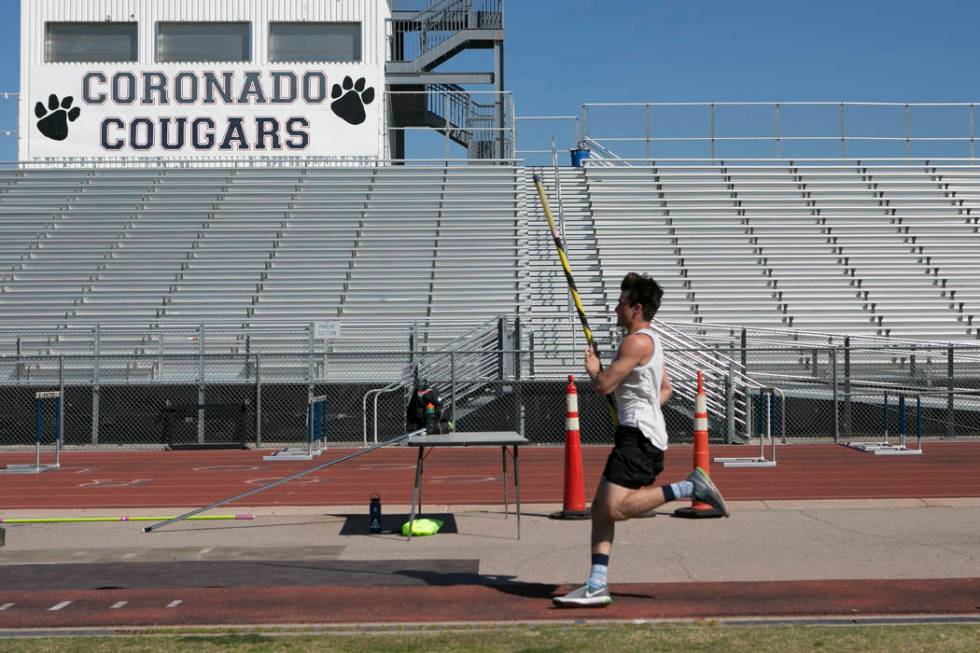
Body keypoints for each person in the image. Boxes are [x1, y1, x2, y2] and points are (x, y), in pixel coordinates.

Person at [553, 272, 729, 608]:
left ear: (636, 308)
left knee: (613, 509)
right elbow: (666, 389)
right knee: (601, 512)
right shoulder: (652, 340)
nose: (616, 309)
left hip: (638, 437)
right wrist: (639, 409)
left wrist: (593, 369)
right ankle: (596, 584)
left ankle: (689, 488)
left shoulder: (635, 342)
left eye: (621, 303)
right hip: (641, 431)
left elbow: (604, 385)